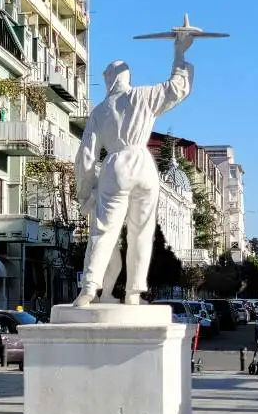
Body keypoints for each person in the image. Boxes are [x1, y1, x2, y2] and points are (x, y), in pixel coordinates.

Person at [73, 32, 195, 307]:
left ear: (110, 79)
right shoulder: (144, 96)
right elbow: (177, 87)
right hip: (144, 164)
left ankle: (89, 288)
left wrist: (85, 191)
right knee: (142, 232)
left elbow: (86, 157)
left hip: (116, 165)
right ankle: (133, 292)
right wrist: (179, 52)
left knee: (104, 230)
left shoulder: (101, 110)